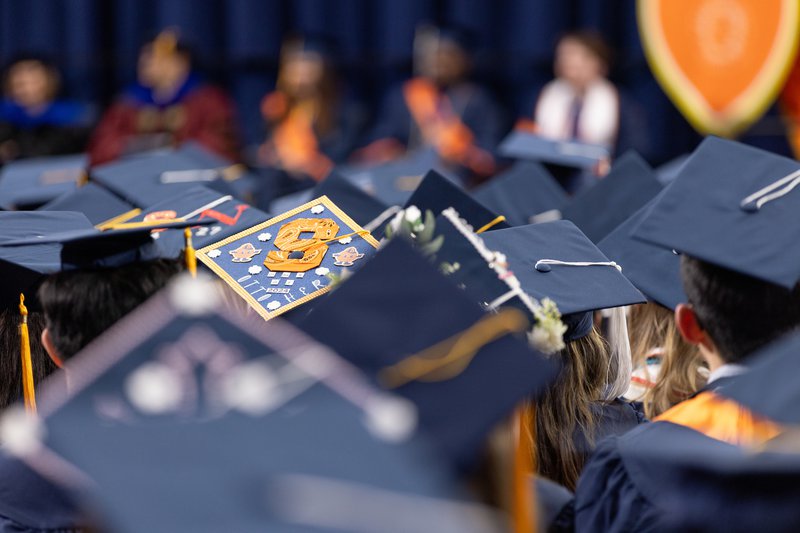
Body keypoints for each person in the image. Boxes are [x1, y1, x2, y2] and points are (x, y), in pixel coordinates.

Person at [356, 25, 503, 183]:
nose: (437, 62)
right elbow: (383, 136)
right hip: (405, 178)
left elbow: (491, 153)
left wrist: (461, 150)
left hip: (458, 181)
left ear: (465, 59)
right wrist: (390, 151)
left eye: (446, 55)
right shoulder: (402, 95)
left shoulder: (479, 99)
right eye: (430, 55)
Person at [88, 29, 241, 166]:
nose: (145, 62)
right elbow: (102, 147)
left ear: (181, 62)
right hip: (136, 177)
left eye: (154, 56)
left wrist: (171, 147)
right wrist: (138, 147)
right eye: (144, 56)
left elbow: (218, 148)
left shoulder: (207, 100)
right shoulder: (129, 102)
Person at [258, 35, 365, 187]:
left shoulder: (347, 114)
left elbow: (346, 162)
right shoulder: (274, 108)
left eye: (308, 63)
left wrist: (305, 164)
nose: (300, 72)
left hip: (322, 192)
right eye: (293, 63)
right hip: (279, 192)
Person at [0, 55, 92, 163]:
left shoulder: (72, 118)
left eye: (33, 82)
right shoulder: (5, 119)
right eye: (20, 84)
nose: (27, 89)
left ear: (49, 81)